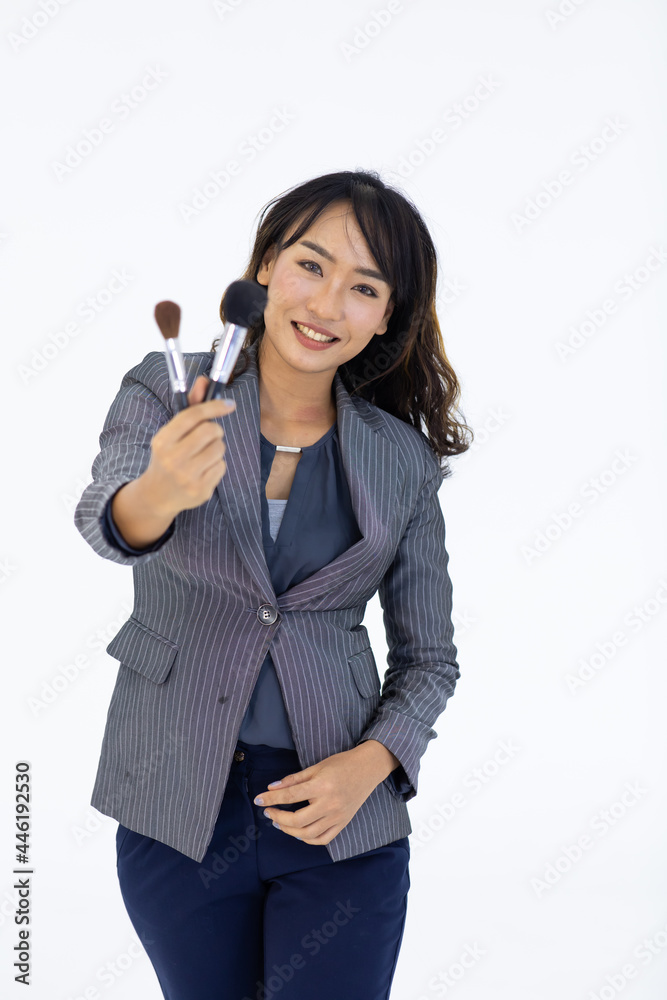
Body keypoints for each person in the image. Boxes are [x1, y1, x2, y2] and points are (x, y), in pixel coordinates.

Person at [74, 169, 472, 1000]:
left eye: (363, 287)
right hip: (175, 803)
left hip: (340, 814)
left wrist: (370, 765)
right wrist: (159, 492)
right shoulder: (167, 388)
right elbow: (106, 520)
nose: (326, 304)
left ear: (386, 316)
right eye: (310, 266)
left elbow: (429, 660)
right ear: (264, 268)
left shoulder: (400, 459)